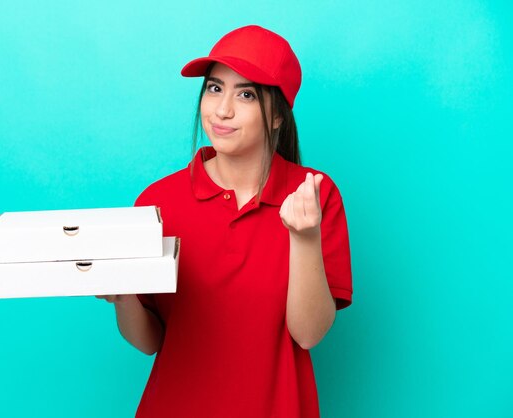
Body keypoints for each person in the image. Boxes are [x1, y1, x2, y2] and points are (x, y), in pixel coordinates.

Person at [97, 25, 353, 418]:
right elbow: (148, 341)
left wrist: (304, 237)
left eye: (245, 94)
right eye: (215, 88)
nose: (222, 110)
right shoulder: (158, 202)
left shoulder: (313, 195)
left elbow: (308, 333)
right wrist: (122, 295)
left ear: (278, 118)